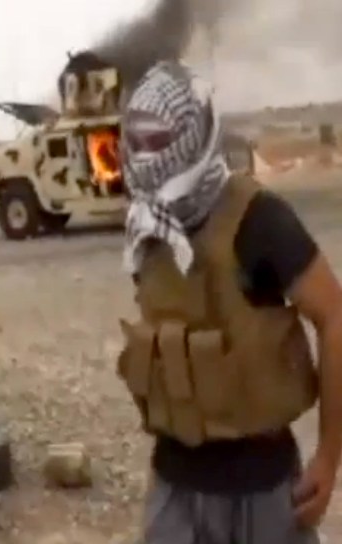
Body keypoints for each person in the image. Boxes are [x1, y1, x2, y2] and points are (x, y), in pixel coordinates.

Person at [115, 59, 342, 543]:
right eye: (139, 140)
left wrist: (328, 457)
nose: (148, 153)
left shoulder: (259, 220)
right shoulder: (145, 229)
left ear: (195, 135)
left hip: (262, 492)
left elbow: (334, 316)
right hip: (175, 486)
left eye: (160, 139)